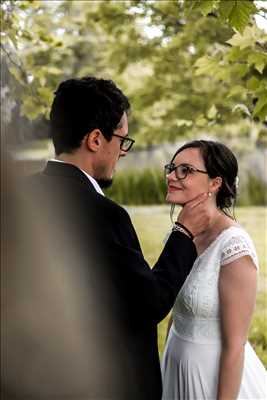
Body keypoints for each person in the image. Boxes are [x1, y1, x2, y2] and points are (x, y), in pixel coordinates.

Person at [6, 77, 212, 400]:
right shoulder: (104, 215)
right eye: (122, 140)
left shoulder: (18, 200)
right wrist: (184, 233)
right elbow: (149, 303)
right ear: (96, 139)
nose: (123, 152)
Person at [161, 139, 267, 399]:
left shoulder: (233, 245)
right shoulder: (178, 236)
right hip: (175, 367)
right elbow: (175, 312)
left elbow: (235, 346)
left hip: (213, 377)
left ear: (215, 183)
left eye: (185, 170)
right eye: (172, 168)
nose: (171, 176)